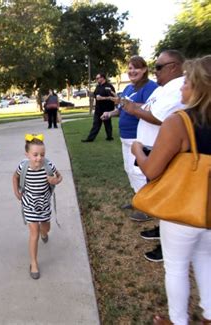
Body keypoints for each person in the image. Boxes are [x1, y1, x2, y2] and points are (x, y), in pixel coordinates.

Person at [132, 55, 211, 325]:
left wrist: (137, 151)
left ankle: (178, 322)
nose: (181, 88)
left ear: (200, 86)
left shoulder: (179, 121)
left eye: (187, 82)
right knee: (207, 260)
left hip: (185, 208)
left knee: (176, 267)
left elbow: (152, 170)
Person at [121, 49, 186, 262]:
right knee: (160, 196)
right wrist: (133, 106)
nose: (155, 71)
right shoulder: (163, 88)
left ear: (174, 67)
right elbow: (149, 107)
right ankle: (161, 229)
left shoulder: (177, 88)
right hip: (151, 148)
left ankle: (167, 247)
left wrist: (132, 109)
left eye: (158, 67)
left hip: (160, 150)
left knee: (166, 198)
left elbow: (158, 116)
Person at [100, 56, 158, 218]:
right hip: (125, 138)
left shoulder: (150, 87)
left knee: (139, 172)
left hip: (139, 138)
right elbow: (121, 108)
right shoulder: (128, 88)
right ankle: (137, 200)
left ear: (145, 69)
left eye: (136, 68)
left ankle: (147, 208)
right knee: (129, 170)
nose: (132, 71)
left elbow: (152, 108)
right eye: (130, 68)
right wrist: (109, 113)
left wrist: (124, 103)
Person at [12, 134, 63, 280]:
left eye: (42, 154)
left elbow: (60, 176)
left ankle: (44, 233)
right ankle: (33, 263)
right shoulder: (23, 166)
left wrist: (56, 180)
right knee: (33, 232)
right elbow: (14, 177)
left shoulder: (48, 165)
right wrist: (16, 192)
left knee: (45, 227)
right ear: (27, 154)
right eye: (35, 155)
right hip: (29, 203)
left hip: (44, 203)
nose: (39, 158)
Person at [81, 73, 116, 142]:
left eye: (98, 78)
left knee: (107, 124)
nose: (97, 79)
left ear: (102, 78)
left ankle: (109, 137)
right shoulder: (98, 86)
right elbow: (95, 95)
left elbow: (113, 98)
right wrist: (90, 93)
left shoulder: (109, 86)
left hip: (106, 109)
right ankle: (90, 139)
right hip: (98, 109)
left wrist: (103, 98)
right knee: (96, 124)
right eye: (96, 78)